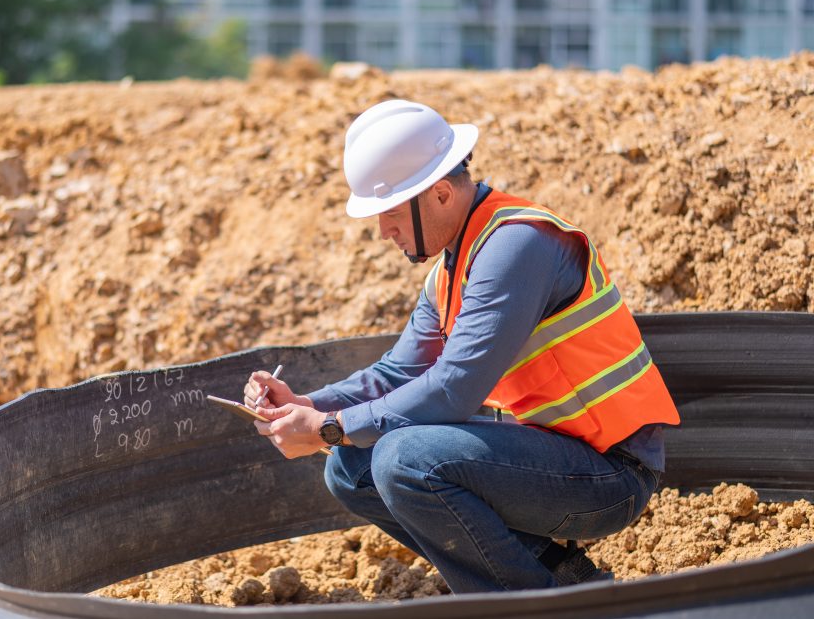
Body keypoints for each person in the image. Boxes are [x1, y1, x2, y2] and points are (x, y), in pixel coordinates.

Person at [243, 99, 680, 593]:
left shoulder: (517, 245)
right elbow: (395, 375)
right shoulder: (454, 267)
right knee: (351, 467)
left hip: (611, 474)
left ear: (442, 194)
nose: (384, 232)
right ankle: (555, 576)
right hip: (553, 457)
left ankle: (523, 603)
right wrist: (308, 406)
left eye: (389, 214)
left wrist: (328, 428)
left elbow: (454, 389)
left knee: (402, 459)